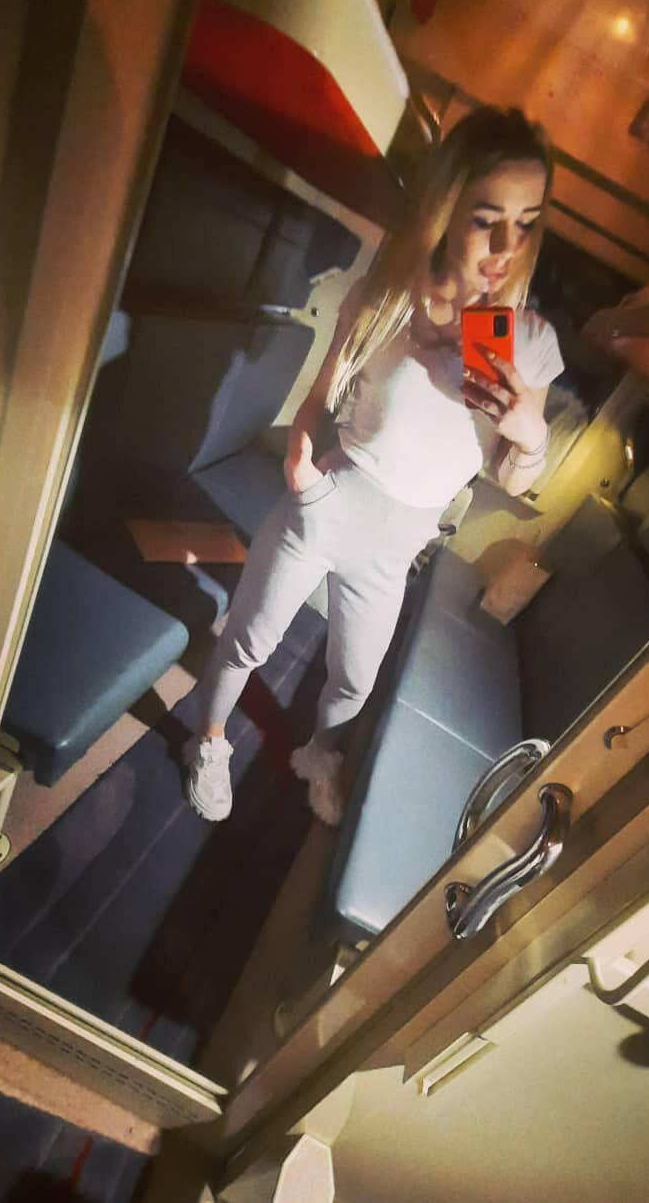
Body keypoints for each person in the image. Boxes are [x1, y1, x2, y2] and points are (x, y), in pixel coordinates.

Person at [183, 106, 564, 825]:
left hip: (398, 546)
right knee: (248, 641)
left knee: (354, 683)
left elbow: (514, 478)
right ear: (447, 210)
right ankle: (207, 742)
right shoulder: (388, 295)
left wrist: (529, 432)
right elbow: (321, 393)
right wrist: (300, 461)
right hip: (329, 501)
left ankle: (317, 755)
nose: (506, 247)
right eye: (487, 219)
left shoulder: (526, 340)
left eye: (527, 222)